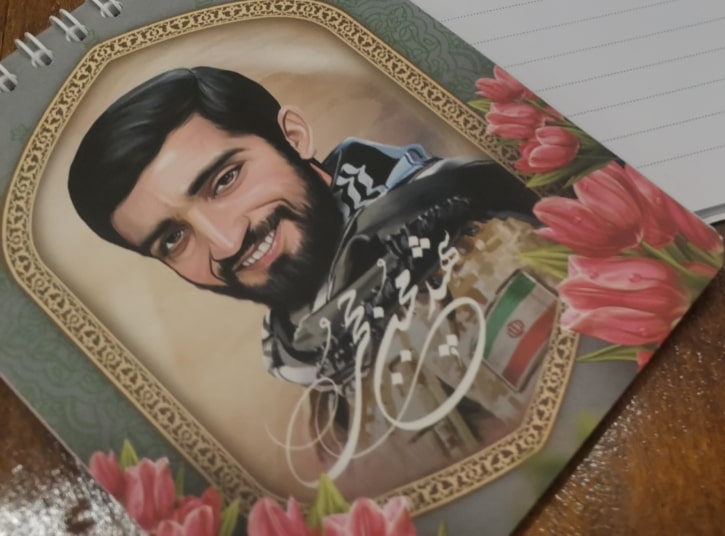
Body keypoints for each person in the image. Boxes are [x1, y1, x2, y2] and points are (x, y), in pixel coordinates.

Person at [68, 66, 560, 485]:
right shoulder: (318, 367)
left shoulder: (481, 246)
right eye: (174, 238)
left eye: (225, 180)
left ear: (294, 137)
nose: (225, 242)